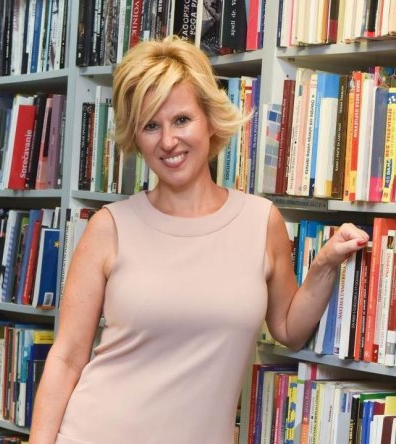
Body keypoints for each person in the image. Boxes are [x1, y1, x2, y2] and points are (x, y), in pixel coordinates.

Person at [29, 35, 369, 444]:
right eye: (150, 126)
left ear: (209, 118)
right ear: (136, 137)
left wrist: (324, 265)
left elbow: (287, 329)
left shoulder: (261, 221)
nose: (168, 141)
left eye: (181, 120)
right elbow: (67, 358)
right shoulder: (109, 227)